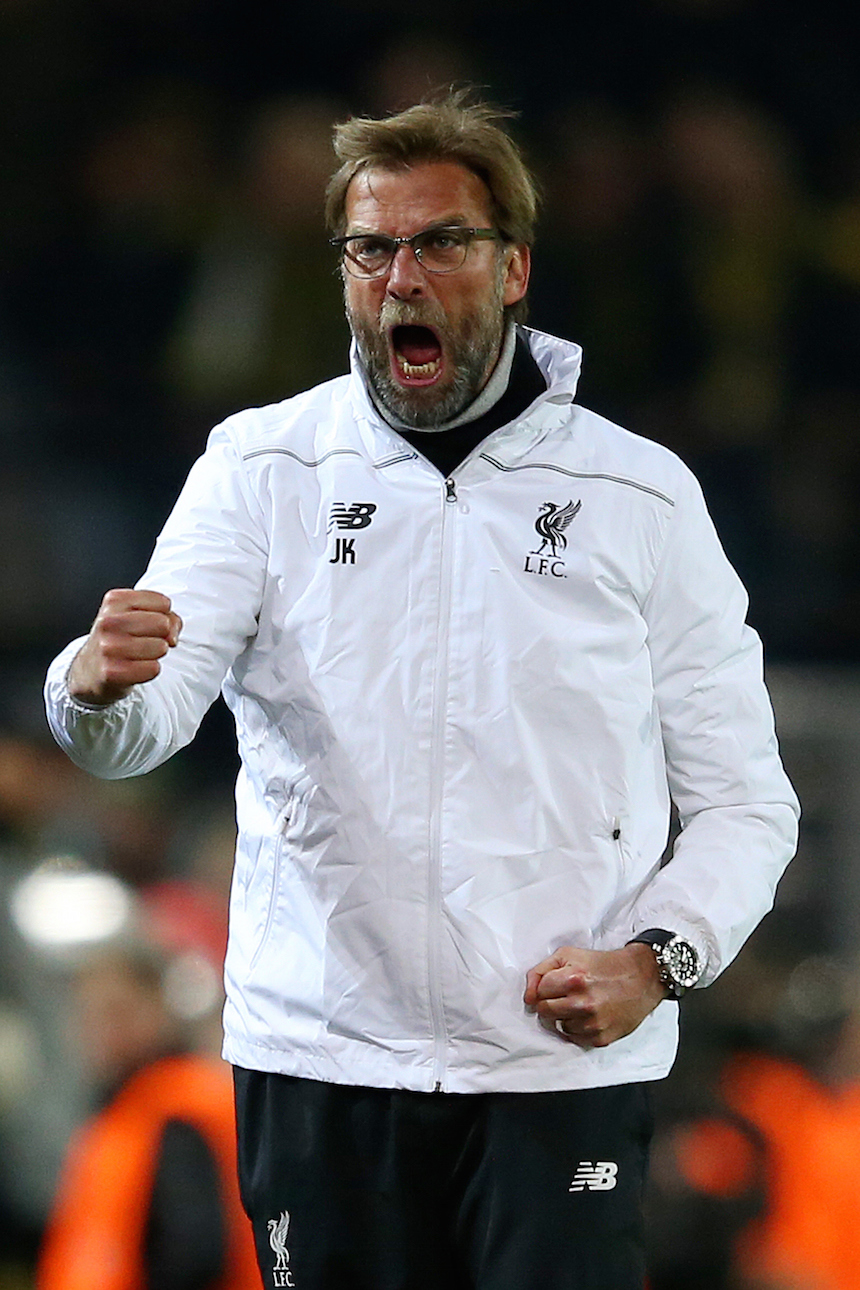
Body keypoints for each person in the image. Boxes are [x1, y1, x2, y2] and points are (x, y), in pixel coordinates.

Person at [44, 92, 800, 1290]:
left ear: (513, 269)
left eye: (440, 241)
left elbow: (746, 802)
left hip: (555, 1067)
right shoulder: (261, 468)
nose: (401, 277)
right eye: (370, 248)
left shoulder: (640, 497)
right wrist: (91, 687)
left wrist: (658, 961)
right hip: (321, 1059)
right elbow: (137, 727)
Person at [36, 939, 260, 1290]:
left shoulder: (177, 1111)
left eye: (117, 1012)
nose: (102, 1032)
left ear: (158, 1007)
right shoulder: (126, 1111)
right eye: (89, 1016)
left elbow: (196, 1253)